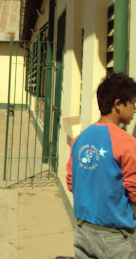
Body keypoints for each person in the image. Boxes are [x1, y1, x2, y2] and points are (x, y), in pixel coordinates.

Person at [66, 72, 136, 258]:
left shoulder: (80, 139)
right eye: (133, 104)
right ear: (118, 104)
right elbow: (134, 189)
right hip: (115, 239)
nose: (134, 110)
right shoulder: (126, 142)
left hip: (83, 232)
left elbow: (71, 182)